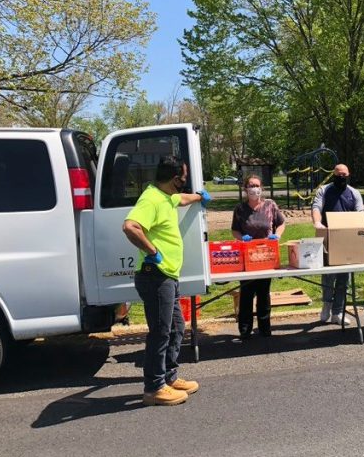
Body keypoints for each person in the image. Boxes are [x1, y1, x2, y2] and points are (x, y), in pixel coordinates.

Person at [123, 155, 212, 406]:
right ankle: (154, 388)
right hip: (155, 276)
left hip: (168, 277)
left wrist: (199, 196)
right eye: (184, 178)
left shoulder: (164, 195)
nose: (185, 182)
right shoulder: (150, 199)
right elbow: (130, 226)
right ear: (175, 179)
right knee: (161, 332)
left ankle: (170, 377)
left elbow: (180, 199)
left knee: (176, 328)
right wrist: (153, 252)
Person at [231, 174, 286, 339]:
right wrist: (242, 238)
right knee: (246, 293)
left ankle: (264, 328)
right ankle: (245, 329)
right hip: (247, 256)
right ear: (245, 189)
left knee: (263, 293)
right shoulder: (240, 209)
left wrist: (277, 235)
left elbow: (281, 222)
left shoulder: (270, 205)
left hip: (266, 255)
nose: (254, 188)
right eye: (251, 185)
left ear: (261, 188)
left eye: (257, 185)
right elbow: (235, 229)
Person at [312, 163, 364, 325]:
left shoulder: (354, 193)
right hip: (328, 237)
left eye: (344, 175)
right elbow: (316, 208)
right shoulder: (324, 190)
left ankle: (338, 312)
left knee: (344, 278)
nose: (341, 177)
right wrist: (318, 223)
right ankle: (326, 305)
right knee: (328, 277)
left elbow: (360, 213)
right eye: (338, 174)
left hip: (347, 240)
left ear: (348, 175)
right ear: (333, 174)